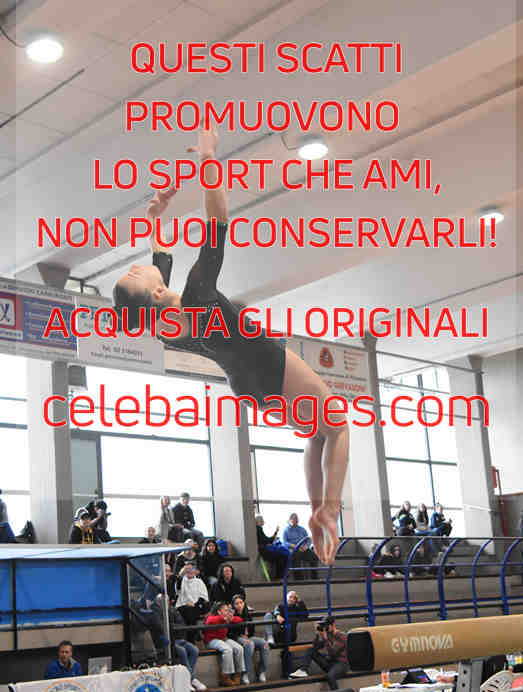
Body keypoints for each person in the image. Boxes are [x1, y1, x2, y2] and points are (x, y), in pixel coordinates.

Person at [112, 119, 349, 566]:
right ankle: (330, 511)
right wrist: (208, 159)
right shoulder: (197, 294)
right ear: (156, 293)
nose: (136, 266)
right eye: (133, 274)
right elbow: (217, 221)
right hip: (266, 363)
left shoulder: (164, 324)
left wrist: (155, 218)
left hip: (245, 387)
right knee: (337, 423)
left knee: (315, 432)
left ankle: (317, 507)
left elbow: (160, 255)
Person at [289, 616, 348, 690]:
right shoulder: (327, 634)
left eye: (327, 625)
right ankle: (303, 670)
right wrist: (317, 635)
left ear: (333, 624)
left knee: (330, 676)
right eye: (324, 625)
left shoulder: (341, 635)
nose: (325, 627)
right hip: (330, 663)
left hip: (341, 664)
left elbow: (333, 652)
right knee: (311, 650)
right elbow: (316, 647)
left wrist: (325, 639)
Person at [203, 601, 245, 686]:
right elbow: (209, 621)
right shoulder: (211, 617)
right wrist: (223, 618)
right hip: (211, 640)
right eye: (225, 610)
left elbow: (240, 620)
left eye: (228, 610)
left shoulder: (226, 617)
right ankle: (225, 676)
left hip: (223, 639)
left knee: (239, 648)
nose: (227, 612)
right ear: (219, 611)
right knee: (228, 649)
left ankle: (238, 674)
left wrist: (231, 619)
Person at [230, 594, 269, 683]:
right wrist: (241, 636)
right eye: (237, 603)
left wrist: (247, 635)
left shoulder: (247, 613)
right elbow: (230, 633)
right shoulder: (232, 615)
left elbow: (252, 630)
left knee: (265, 644)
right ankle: (245, 672)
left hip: (248, 637)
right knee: (249, 644)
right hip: (236, 638)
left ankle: (262, 671)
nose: (239, 605)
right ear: (233, 605)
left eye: (241, 602)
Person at [175, 564, 209, 642]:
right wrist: (181, 574)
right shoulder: (181, 580)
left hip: (196, 605)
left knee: (192, 611)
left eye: (192, 569)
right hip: (183, 605)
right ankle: (193, 636)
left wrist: (195, 604)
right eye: (188, 569)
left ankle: (191, 637)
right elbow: (178, 589)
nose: (190, 571)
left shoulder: (199, 581)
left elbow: (203, 596)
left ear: (195, 571)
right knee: (188, 611)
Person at [282, 513, 319, 580]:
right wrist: (292, 545)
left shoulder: (302, 529)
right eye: (293, 519)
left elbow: (308, 540)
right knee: (295, 559)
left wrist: (306, 546)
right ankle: (299, 579)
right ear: (289, 520)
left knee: (314, 557)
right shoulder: (286, 530)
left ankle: (314, 577)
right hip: (294, 550)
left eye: (296, 519)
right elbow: (284, 542)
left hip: (303, 549)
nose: (294, 521)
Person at [256, 514, 289, 579]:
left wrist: (274, 534)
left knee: (281, 555)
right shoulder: (258, 528)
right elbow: (267, 541)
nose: (263, 522)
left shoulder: (257, 528)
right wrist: (275, 533)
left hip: (262, 549)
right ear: (259, 521)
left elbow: (267, 541)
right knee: (283, 556)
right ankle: (280, 576)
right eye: (262, 520)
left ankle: (279, 576)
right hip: (263, 551)